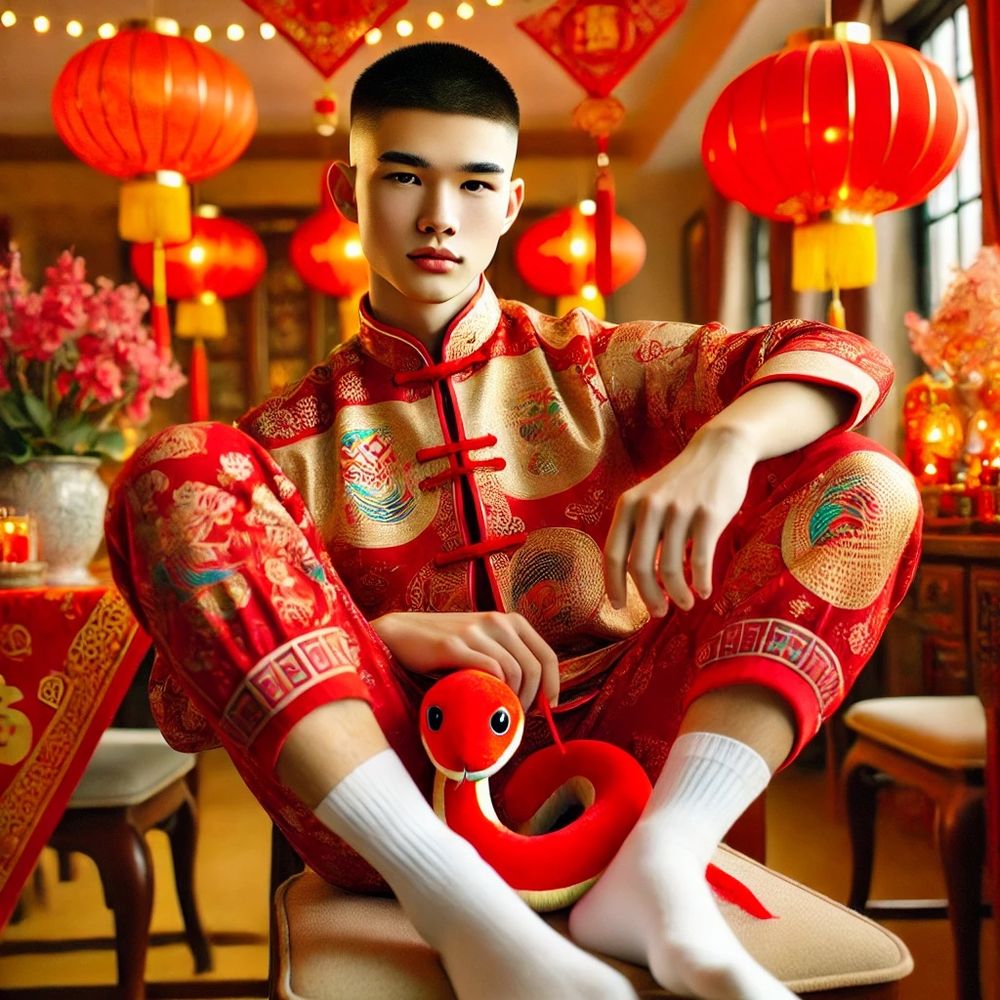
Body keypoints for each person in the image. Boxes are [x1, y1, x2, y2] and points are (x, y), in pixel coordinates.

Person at [106, 41, 921, 1000]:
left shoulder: (598, 364)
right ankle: (455, 905)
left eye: (474, 182)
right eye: (404, 177)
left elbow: (840, 354)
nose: (440, 218)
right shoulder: (280, 445)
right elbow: (177, 708)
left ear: (512, 200)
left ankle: (660, 868)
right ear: (346, 189)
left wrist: (725, 443)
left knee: (869, 481)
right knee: (176, 462)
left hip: (631, 763)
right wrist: (382, 636)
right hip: (400, 793)